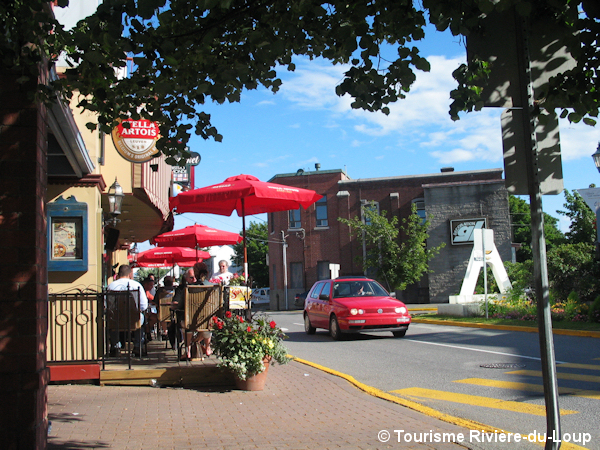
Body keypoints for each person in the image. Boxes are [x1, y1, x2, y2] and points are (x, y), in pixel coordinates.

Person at [107, 265, 149, 357]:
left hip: (116, 319)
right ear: (130, 274)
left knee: (111, 318)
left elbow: (106, 305)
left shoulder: (111, 286)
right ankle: (138, 346)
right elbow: (144, 306)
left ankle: (116, 346)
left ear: (118, 274)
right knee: (141, 318)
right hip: (133, 319)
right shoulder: (137, 285)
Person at [168, 268, 195, 355]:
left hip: (187, 320)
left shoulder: (181, 288)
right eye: (191, 277)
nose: (194, 279)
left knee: (185, 325)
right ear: (186, 278)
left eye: (195, 277)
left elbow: (175, 302)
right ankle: (206, 346)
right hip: (203, 320)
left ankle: (188, 349)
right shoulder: (204, 286)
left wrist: (173, 305)